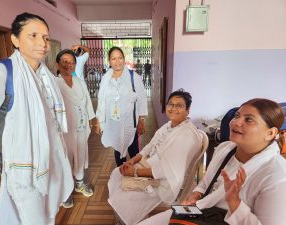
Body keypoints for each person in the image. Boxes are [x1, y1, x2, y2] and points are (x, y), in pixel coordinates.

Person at [138, 98, 286, 225]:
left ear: (271, 133)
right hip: (204, 212)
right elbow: (205, 183)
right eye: (237, 116)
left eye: (248, 120)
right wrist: (196, 195)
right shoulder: (225, 149)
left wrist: (235, 204)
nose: (236, 123)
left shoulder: (277, 176)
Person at [0, 12, 73, 225]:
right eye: (32, 35)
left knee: (49, 216)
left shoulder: (47, 77)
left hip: (51, 162)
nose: (42, 43)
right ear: (15, 39)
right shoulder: (1, 72)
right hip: (23, 170)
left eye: (45, 37)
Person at [108, 89, 203, 225]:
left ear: (188, 110)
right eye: (170, 104)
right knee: (117, 174)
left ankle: (130, 220)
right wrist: (133, 160)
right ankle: (130, 218)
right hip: (150, 165)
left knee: (124, 195)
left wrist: (135, 172)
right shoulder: (169, 125)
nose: (173, 108)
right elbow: (149, 146)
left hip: (166, 181)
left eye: (179, 105)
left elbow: (165, 170)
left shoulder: (186, 136)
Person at [55, 49, 96, 208]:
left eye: (72, 62)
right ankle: (65, 191)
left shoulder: (79, 82)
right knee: (64, 158)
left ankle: (79, 183)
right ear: (57, 64)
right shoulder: (54, 83)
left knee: (80, 154)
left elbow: (87, 102)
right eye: (64, 62)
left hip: (80, 126)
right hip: (63, 130)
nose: (68, 65)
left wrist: (93, 121)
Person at [95, 46, 147, 166]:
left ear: (124, 59)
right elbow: (101, 100)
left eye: (120, 58)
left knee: (134, 152)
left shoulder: (134, 77)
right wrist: (99, 122)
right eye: (114, 58)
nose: (117, 62)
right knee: (118, 151)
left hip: (131, 123)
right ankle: (121, 176)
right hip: (114, 122)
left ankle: (135, 179)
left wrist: (141, 120)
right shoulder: (105, 79)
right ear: (109, 61)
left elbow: (142, 99)